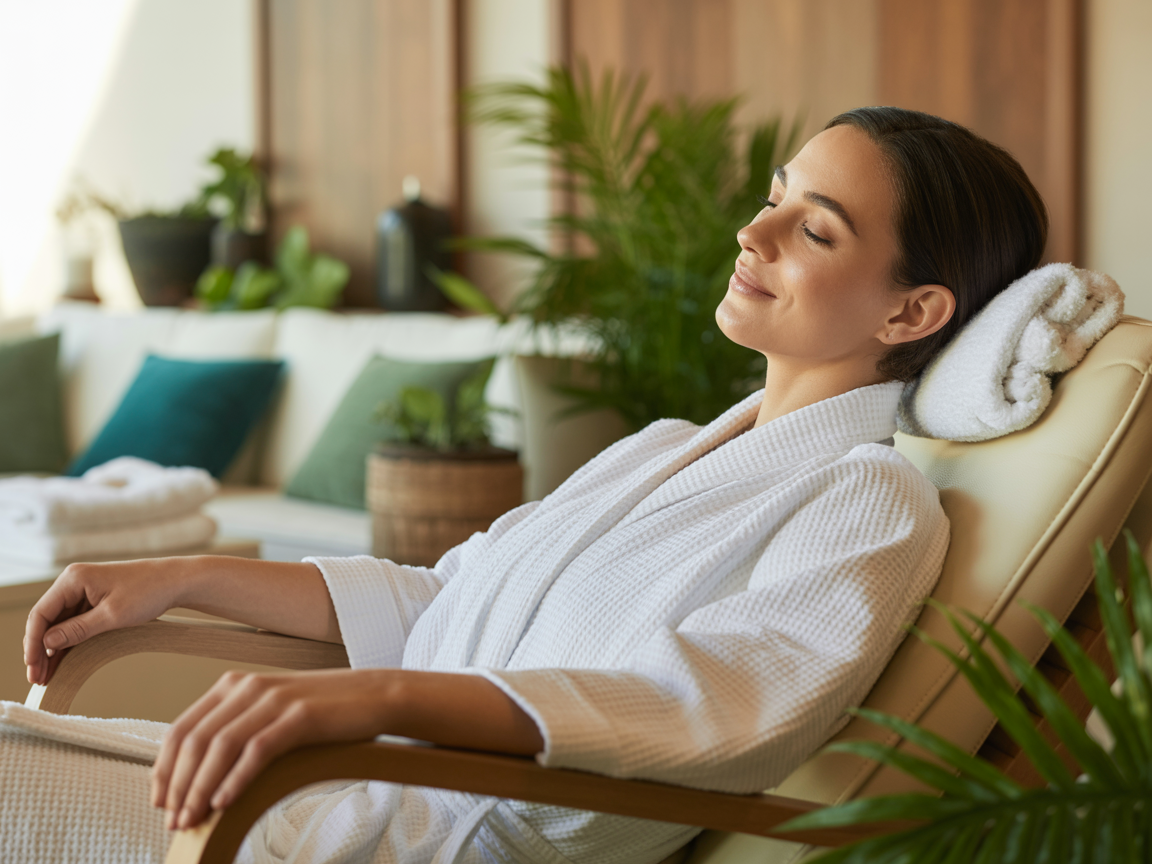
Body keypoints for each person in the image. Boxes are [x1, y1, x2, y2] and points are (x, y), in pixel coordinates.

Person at [12, 106, 1047, 864]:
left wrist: (352, 699)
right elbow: (446, 596)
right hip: (337, 793)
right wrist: (179, 576)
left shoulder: (872, 503)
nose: (752, 234)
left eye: (814, 230)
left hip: (415, 836)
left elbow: (700, 710)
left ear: (911, 314)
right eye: (774, 197)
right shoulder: (667, 444)